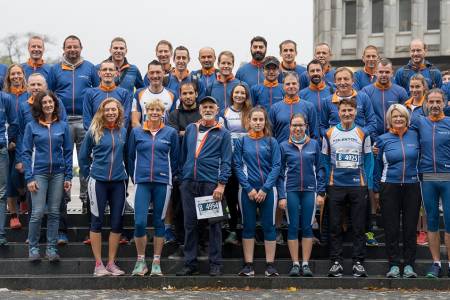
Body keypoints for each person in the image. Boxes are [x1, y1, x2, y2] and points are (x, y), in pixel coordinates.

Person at [48, 35, 100, 243]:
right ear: (63, 48)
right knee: (63, 170)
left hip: (85, 122)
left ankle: (90, 227)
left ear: (81, 47)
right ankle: (62, 229)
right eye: (68, 47)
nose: (72, 50)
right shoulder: (55, 69)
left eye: (75, 46)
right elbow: (49, 95)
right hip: (62, 121)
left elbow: (96, 94)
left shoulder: (89, 68)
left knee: (87, 169)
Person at [176, 96, 232, 277]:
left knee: (214, 225)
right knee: (190, 224)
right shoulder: (191, 129)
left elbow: (226, 161)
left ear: (217, 111)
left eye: (211, 107)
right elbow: (184, 155)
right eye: (205, 107)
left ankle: (215, 264)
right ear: (200, 110)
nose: (207, 109)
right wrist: (183, 177)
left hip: (210, 184)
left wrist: (221, 184)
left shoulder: (222, 132)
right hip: (189, 183)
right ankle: (190, 263)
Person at [321, 97, 373, 278]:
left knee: (358, 226)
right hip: (335, 185)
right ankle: (336, 262)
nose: (347, 114)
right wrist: (328, 182)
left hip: (357, 185)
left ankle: (358, 262)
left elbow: (369, 160)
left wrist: (368, 185)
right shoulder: (329, 133)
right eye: (343, 110)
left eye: (350, 110)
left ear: (355, 112)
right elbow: (325, 161)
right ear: (338, 112)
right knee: (335, 226)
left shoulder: (363, 133)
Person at [128, 99, 179, 276]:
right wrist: (135, 177)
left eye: (158, 109)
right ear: (146, 111)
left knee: (159, 222)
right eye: (151, 109)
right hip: (142, 182)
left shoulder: (170, 133)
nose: (155, 112)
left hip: (163, 182)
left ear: (163, 112)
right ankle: (141, 260)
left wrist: (167, 176)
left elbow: (175, 158)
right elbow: (130, 157)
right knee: (139, 222)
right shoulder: (136, 132)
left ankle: (156, 261)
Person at [79, 98, 127, 276]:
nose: (111, 113)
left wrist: (126, 174)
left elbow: (127, 156)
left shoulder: (123, 131)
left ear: (119, 112)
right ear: (102, 112)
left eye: (114, 110)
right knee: (96, 222)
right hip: (98, 181)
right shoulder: (94, 131)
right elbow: (83, 157)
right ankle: (98, 264)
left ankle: (111, 263)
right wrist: (89, 175)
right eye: (107, 110)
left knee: (117, 223)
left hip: (118, 182)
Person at [22, 91, 72, 262]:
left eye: (50, 102)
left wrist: (68, 177)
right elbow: (26, 153)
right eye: (44, 103)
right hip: (40, 174)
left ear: (55, 104)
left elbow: (68, 152)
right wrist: (29, 178)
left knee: (54, 212)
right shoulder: (32, 126)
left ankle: (51, 249)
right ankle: (33, 248)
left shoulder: (63, 125)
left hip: (58, 174)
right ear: (39, 106)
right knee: (36, 212)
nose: (48, 105)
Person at [373, 104, 421, 278]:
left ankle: (409, 265)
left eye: (401, 116)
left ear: (407, 118)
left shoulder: (415, 136)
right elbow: (377, 166)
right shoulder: (382, 139)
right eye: (395, 117)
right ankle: (393, 264)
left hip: (412, 185)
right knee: (391, 228)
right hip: (389, 186)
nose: (398, 119)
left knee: (409, 227)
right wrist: (376, 189)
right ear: (389, 120)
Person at [234, 106, 281, 277]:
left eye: (261, 120)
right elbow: (237, 166)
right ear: (249, 121)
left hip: (268, 191)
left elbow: (277, 166)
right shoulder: (241, 142)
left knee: (269, 226)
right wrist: (249, 188)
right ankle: (248, 265)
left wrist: (265, 189)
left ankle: (270, 265)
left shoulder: (271, 141)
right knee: (248, 227)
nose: (258, 122)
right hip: (247, 192)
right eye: (255, 119)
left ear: (265, 122)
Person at [277, 113, 325, 277]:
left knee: (307, 227)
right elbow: (280, 173)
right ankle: (295, 264)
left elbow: (320, 169)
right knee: (292, 226)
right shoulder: (283, 146)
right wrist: (281, 196)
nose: (297, 128)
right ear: (290, 127)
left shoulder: (314, 145)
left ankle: (305, 263)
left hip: (310, 191)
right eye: (294, 125)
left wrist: (321, 192)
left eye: (300, 125)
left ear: (306, 126)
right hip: (291, 190)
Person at [410, 88, 450, 278]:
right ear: (426, 104)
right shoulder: (420, 122)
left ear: (444, 103)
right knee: (432, 222)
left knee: (449, 223)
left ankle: (449, 263)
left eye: (438, 102)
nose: (434, 105)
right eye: (431, 102)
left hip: (448, 178)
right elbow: (400, 127)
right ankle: (436, 263)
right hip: (427, 179)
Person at [167, 82, 202, 256]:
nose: (188, 96)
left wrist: (184, 132)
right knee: (180, 210)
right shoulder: (173, 115)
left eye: (191, 93)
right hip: (181, 168)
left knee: (202, 210)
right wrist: (194, 131)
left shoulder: (202, 113)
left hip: (202, 169)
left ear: (196, 94)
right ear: (180, 96)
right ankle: (182, 246)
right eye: (184, 93)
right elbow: (173, 135)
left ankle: (202, 245)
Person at [222, 83, 252, 245]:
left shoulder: (250, 112)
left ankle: (248, 230)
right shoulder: (225, 112)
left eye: (242, 93)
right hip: (231, 159)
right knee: (232, 196)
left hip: (247, 159)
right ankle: (233, 230)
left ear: (246, 95)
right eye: (236, 92)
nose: (239, 95)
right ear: (232, 95)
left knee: (247, 194)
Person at [3, 64, 28, 230]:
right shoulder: (4, 96)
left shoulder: (29, 95)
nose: (16, 76)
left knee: (20, 174)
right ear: (9, 77)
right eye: (13, 74)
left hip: (25, 141)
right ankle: (13, 215)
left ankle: (24, 197)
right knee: (9, 178)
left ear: (23, 75)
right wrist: (8, 140)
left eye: (19, 73)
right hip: (6, 142)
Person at [320, 67, 377, 139]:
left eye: (346, 79)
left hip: (360, 142)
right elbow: (322, 126)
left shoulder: (363, 98)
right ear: (335, 82)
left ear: (353, 81)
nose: (342, 82)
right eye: (339, 79)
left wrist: (360, 133)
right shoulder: (327, 101)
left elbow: (372, 123)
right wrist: (331, 134)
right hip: (335, 143)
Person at [362, 58, 409, 138]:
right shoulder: (366, 91)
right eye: (381, 72)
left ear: (392, 73)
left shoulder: (401, 91)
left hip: (394, 137)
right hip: (371, 138)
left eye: (387, 72)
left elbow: (406, 117)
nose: (384, 75)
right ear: (376, 72)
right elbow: (363, 117)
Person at [269, 72, 318, 143]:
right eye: (288, 84)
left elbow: (315, 134)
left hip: (304, 150)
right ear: (283, 86)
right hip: (281, 151)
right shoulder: (274, 108)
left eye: (294, 83)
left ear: (299, 85)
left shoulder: (309, 107)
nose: (291, 86)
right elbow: (270, 135)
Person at [83, 60, 132, 130]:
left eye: (111, 70)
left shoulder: (124, 93)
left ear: (116, 73)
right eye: (104, 69)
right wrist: (94, 134)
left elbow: (125, 117)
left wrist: (118, 133)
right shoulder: (90, 93)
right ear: (99, 73)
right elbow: (87, 118)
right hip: (96, 135)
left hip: (117, 135)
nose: (108, 72)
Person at [132, 60, 176, 127]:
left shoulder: (173, 95)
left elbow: (174, 124)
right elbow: (135, 122)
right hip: (144, 136)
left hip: (165, 137)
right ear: (148, 75)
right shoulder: (138, 93)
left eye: (158, 72)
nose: (155, 76)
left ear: (163, 73)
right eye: (152, 73)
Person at [0, 88, 18, 245]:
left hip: (1, 149)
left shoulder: (5, 98)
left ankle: (0, 233)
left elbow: (14, 122)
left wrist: (10, 139)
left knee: (1, 193)